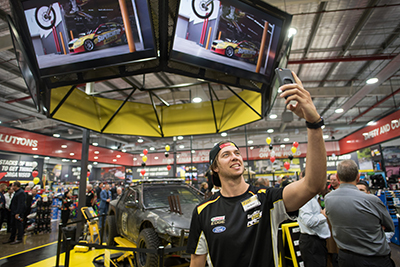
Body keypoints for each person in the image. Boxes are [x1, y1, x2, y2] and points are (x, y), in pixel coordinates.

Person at [187, 72, 327, 267]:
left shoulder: (267, 199)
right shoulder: (203, 211)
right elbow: (197, 261)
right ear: (215, 168)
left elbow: (314, 185)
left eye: (237, 153)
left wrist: (314, 124)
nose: (235, 157)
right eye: (226, 155)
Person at [325, 159, 395, 267]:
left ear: (337, 178)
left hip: (345, 258)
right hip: (374, 259)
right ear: (358, 177)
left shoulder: (328, 199)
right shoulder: (372, 200)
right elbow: (390, 226)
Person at [298, 169, 331, 267]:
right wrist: (323, 215)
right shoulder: (307, 198)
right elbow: (309, 221)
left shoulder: (315, 197)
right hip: (311, 242)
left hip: (317, 241)